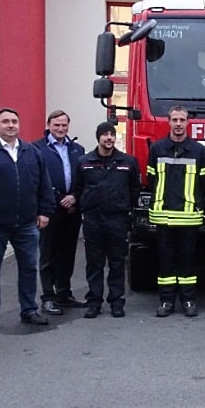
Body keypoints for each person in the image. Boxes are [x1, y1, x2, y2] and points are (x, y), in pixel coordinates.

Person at [0, 108, 55, 330]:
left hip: (27, 223)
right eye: (5, 122)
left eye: (14, 121)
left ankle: (29, 310)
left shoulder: (31, 151)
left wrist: (45, 211)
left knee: (29, 268)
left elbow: (43, 183)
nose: (10, 125)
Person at [71, 121, 141, 318]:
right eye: (105, 134)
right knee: (94, 263)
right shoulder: (84, 162)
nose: (109, 138)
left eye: (112, 134)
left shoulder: (127, 162)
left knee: (117, 262)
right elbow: (78, 188)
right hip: (93, 220)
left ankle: (117, 302)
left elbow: (134, 188)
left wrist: (125, 206)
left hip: (117, 219)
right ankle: (94, 302)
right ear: (98, 137)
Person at [148, 106, 205, 318]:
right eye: (175, 120)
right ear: (169, 122)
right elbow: (151, 179)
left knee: (188, 262)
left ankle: (188, 300)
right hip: (163, 215)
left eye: (182, 120)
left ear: (188, 122)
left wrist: (200, 205)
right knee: (165, 261)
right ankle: (166, 301)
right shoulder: (157, 148)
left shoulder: (199, 150)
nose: (178, 124)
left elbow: (204, 183)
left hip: (189, 216)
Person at [34, 110, 87, 316]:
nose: (60, 129)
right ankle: (48, 297)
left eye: (64, 125)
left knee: (67, 254)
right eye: (56, 125)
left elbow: (82, 179)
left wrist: (74, 196)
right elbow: (38, 180)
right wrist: (56, 199)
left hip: (72, 210)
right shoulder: (37, 149)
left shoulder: (77, 149)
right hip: (49, 210)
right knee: (48, 254)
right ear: (48, 125)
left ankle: (64, 294)